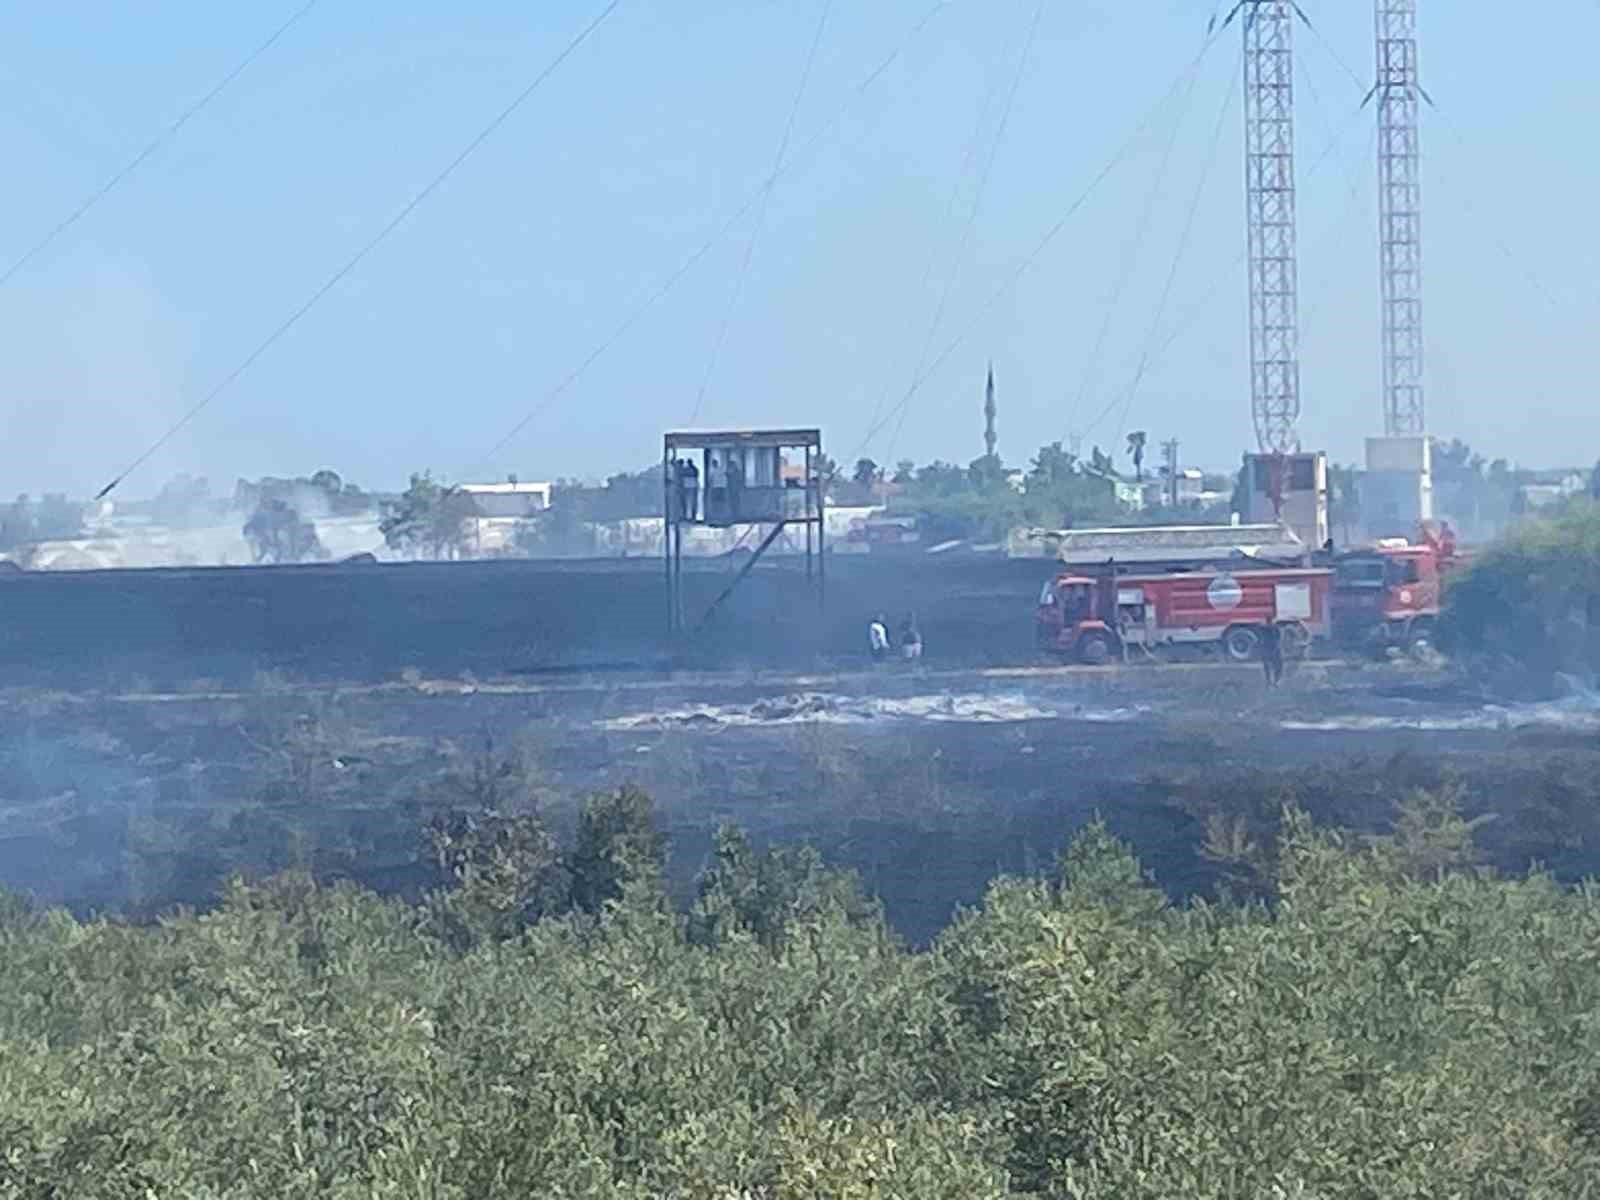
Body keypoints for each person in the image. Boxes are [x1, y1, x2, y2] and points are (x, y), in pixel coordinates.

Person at [1260, 621, 1284, 687]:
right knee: (1277, 665)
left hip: (1267, 648)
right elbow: (1279, 638)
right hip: (1274, 648)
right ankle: (1275, 681)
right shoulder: (1276, 628)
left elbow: (1261, 639)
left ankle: (1269, 681)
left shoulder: (1263, 628)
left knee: (1268, 666)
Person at [681, 457, 700, 521]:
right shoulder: (695, 469)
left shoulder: (685, 469)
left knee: (687, 502)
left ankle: (687, 516)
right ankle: (692, 516)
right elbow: (697, 476)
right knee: (692, 502)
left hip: (687, 487)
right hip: (693, 486)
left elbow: (682, 476)